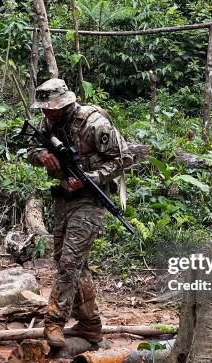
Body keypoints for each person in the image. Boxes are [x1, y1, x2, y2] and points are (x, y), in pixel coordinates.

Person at [26, 78, 133, 348]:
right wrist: (41, 156)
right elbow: (31, 148)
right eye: (43, 108)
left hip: (90, 200)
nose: (46, 113)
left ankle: (54, 321)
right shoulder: (47, 122)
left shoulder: (94, 123)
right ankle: (90, 325)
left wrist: (89, 177)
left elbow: (124, 158)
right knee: (69, 260)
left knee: (70, 262)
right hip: (64, 197)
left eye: (50, 108)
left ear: (64, 104)